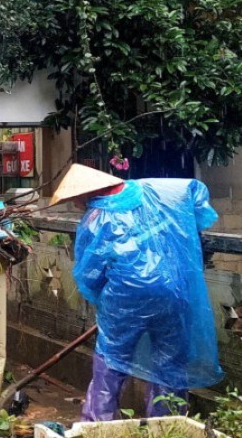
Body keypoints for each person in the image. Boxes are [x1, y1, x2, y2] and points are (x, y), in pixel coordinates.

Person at [51, 163, 223, 421]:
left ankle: (98, 424)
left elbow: (90, 271)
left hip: (125, 299)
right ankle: (168, 425)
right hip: (173, 291)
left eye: (75, 200)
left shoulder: (96, 217)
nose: (76, 205)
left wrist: (104, 300)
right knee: (171, 360)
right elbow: (195, 193)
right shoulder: (156, 189)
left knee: (112, 359)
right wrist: (187, 227)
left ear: (86, 193)